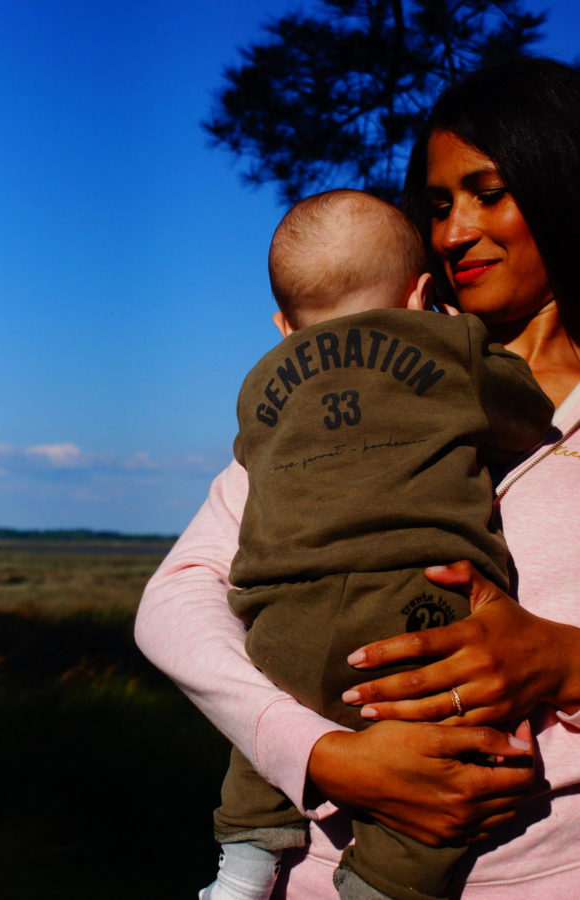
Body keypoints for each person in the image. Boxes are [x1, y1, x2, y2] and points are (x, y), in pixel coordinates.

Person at [135, 56, 580, 899]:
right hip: (313, 873)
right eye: (439, 205)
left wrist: (564, 661)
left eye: (490, 193)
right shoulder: (359, 377)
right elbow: (178, 598)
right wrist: (319, 752)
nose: (454, 233)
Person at [199, 188, 552, 900]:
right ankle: (386, 883)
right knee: (450, 755)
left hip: (283, 607)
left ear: (280, 323)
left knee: (261, 736)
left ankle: (240, 869)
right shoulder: (445, 345)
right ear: (422, 292)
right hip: (417, 598)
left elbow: (254, 463)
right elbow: (525, 415)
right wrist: (468, 344)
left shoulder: (258, 383)